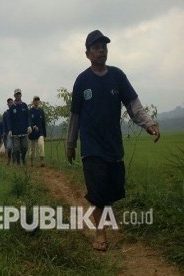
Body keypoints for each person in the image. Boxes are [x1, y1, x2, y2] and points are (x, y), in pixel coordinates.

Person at [66, 30, 161, 252]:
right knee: (98, 192)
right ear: (87, 54)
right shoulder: (82, 81)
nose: (101, 50)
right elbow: (75, 116)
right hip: (91, 148)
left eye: (104, 47)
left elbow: (133, 104)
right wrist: (70, 144)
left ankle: (103, 215)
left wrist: (148, 123)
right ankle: (100, 234)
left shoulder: (118, 76)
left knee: (113, 190)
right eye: (96, 47)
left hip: (113, 146)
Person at [8, 88, 30, 165]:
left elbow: (27, 117)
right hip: (15, 132)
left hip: (24, 131)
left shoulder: (24, 105)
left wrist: (29, 126)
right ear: (14, 95)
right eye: (16, 94)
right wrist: (10, 130)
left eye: (19, 94)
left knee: (25, 147)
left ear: (21, 95)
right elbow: (9, 120)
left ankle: (23, 158)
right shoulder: (12, 107)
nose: (18, 95)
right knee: (16, 149)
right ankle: (18, 163)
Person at [28, 96, 47, 167]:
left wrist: (45, 135)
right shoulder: (30, 111)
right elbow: (29, 121)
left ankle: (42, 161)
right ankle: (31, 162)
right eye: (35, 100)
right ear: (33, 102)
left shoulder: (41, 111)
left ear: (39, 101)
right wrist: (33, 126)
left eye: (38, 100)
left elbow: (43, 123)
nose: (36, 101)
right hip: (32, 133)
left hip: (40, 132)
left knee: (41, 145)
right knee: (32, 149)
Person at [2, 98, 14, 164]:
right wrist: (4, 132)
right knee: (9, 147)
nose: (11, 103)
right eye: (10, 102)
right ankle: (9, 158)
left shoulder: (15, 111)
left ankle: (15, 160)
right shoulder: (5, 114)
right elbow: (4, 124)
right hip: (8, 132)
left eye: (12, 102)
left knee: (16, 147)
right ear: (8, 104)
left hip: (15, 132)